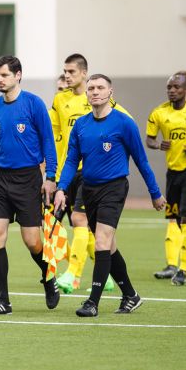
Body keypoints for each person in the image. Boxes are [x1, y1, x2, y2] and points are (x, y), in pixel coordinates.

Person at [55, 74, 166, 317]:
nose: (95, 91)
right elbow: (72, 160)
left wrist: (155, 193)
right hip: (88, 188)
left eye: (100, 88)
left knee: (102, 242)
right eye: (91, 88)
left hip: (114, 188)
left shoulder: (124, 123)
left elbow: (141, 161)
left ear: (110, 92)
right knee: (110, 246)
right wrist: (61, 188)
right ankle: (131, 295)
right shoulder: (81, 126)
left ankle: (92, 302)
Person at [0, 55, 59, 315]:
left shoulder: (34, 104)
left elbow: (49, 141)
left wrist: (50, 178)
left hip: (28, 179)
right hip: (0, 179)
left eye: (4, 75)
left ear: (18, 75)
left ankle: (48, 276)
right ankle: (2, 299)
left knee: (32, 241)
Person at [50, 54, 129, 294]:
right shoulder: (59, 100)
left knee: (78, 220)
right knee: (88, 227)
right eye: (65, 71)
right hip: (67, 173)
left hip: (91, 173)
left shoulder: (96, 99)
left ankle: (73, 276)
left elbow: (125, 123)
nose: (67, 76)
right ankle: (104, 277)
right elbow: (53, 136)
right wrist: (52, 174)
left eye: (72, 72)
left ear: (84, 73)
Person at [146, 71, 186, 285]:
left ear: (185, 90)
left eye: (177, 87)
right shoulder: (160, 113)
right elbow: (149, 140)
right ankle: (172, 264)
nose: (172, 90)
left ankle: (185, 269)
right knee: (173, 217)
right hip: (173, 173)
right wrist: (159, 145)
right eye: (169, 87)